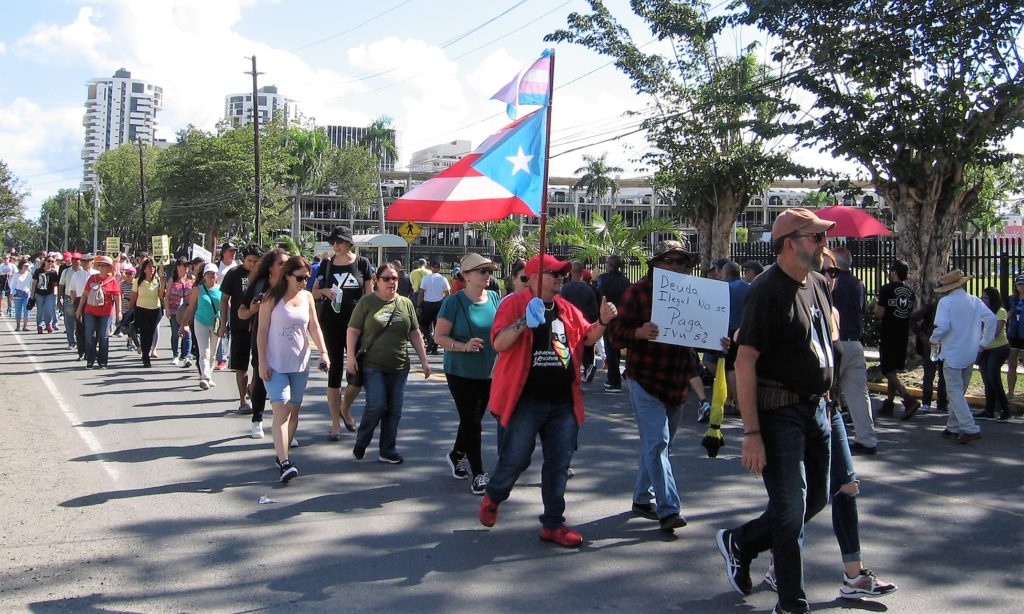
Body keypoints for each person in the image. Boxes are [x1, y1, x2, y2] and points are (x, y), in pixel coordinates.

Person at [716, 208, 836, 614]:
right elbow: (745, 360)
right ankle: (790, 604)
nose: (823, 245)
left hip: (816, 409)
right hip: (779, 412)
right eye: (815, 238)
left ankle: (742, 541)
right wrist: (751, 434)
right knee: (789, 509)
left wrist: (829, 399)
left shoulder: (817, 283)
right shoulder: (765, 291)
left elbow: (823, 342)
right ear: (789, 245)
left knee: (816, 498)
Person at [762, 248, 898, 600]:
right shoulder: (792, 302)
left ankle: (854, 574)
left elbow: (831, 363)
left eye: (835, 273)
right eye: (825, 271)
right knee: (798, 497)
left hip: (828, 409)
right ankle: (767, 554)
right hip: (796, 409)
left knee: (845, 486)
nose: (831, 278)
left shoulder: (830, 309)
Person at [478, 254, 616, 548]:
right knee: (515, 459)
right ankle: (495, 495)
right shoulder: (514, 304)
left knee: (559, 463)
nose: (560, 279)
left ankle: (553, 523)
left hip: (563, 402)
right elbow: (498, 343)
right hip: (525, 401)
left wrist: (603, 321)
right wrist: (523, 322)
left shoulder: (566, 308)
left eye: (562, 274)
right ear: (534, 277)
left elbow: (587, 337)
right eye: (553, 274)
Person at [607, 240, 717, 533]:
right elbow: (615, 335)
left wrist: (718, 340)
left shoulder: (694, 294)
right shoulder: (637, 292)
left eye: (682, 262)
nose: (677, 266)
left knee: (658, 445)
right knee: (657, 443)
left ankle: (642, 499)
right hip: (645, 379)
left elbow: (701, 334)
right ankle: (669, 509)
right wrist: (638, 332)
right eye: (670, 260)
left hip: (677, 381)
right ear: (655, 264)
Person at [347, 262, 431, 464]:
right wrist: (350, 357)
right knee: (377, 405)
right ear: (377, 281)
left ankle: (387, 450)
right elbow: (353, 330)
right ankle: (362, 441)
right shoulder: (367, 302)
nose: (391, 282)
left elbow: (415, 333)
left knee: (394, 410)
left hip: (399, 366)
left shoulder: (405, 303)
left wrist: (424, 360)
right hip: (372, 365)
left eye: (394, 278)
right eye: (386, 278)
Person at [256, 255, 329, 483]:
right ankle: (285, 463)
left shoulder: (307, 297)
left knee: (294, 411)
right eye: (299, 278)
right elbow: (261, 332)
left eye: (307, 278)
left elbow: (314, 326)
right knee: (282, 410)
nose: (304, 282)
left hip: (299, 363)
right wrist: (262, 362)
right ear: (287, 276)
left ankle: (282, 453)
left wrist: (324, 353)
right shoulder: (271, 298)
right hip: (275, 364)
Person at [433, 253, 500, 495]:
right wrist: (463, 346)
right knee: (472, 421)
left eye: (489, 271)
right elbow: (438, 337)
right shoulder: (454, 302)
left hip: (488, 370)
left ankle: (456, 454)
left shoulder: (494, 297)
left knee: (473, 419)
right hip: (460, 371)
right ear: (467, 275)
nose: (487, 275)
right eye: (482, 271)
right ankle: (479, 473)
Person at [311, 225, 373, 440]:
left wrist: (369, 322)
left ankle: (344, 407)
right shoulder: (326, 264)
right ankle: (335, 425)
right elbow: (313, 292)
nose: (336, 245)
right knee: (335, 372)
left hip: (356, 325)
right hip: (332, 323)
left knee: (358, 373)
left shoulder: (362, 263)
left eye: (339, 241)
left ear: (349, 243)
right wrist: (323, 291)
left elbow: (369, 296)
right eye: (333, 242)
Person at [930, 270, 998, 443]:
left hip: (952, 353)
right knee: (958, 393)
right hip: (971, 352)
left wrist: (933, 339)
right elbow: (991, 319)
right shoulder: (975, 301)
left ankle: (969, 427)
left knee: (955, 393)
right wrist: (984, 343)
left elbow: (942, 327)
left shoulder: (946, 302)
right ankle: (953, 426)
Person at [830, 246, 879, 454]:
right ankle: (867, 438)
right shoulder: (858, 284)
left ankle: (825, 439)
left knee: (826, 393)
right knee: (859, 394)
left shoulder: (832, 283)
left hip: (836, 341)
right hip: (855, 342)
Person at [239, 249, 288, 439]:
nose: (285, 267)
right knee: (261, 379)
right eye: (281, 263)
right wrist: (253, 310)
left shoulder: (292, 284)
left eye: (287, 263)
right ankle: (257, 419)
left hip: (287, 341)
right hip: (262, 339)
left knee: (287, 382)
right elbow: (241, 312)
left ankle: (285, 425)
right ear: (270, 267)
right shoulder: (259, 285)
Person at [219, 244, 262, 414]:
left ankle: (253, 387)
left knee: (259, 364)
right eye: (249, 261)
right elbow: (224, 300)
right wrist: (223, 323)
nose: (252, 264)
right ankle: (243, 400)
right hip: (239, 325)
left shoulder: (263, 275)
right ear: (243, 259)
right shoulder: (234, 274)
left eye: (256, 261)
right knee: (241, 365)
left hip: (260, 325)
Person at [875, 260, 920, 419]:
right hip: (903, 333)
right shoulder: (910, 292)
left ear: (894, 272)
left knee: (886, 369)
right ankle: (889, 402)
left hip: (889, 333)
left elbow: (880, 313)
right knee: (892, 368)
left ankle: (908, 398)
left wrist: (875, 306)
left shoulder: (886, 289)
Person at [179, 263, 223, 390]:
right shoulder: (198, 290)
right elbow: (190, 308)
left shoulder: (221, 290)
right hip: (201, 322)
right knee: (204, 351)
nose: (211, 276)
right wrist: (183, 324)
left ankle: (209, 376)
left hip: (216, 324)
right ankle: (205, 377)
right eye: (208, 273)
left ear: (217, 275)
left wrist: (225, 324)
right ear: (204, 276)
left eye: (213, 273)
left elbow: (227, 308)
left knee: (213, 353)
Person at [75, 255, 123, 369]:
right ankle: (90, 360)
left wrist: (119, 312)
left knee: (104, 336)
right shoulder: (92, 278)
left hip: (106, 313)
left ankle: (103, 361)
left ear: (109, 268)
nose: (102, 267)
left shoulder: (112, 281)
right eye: (100, 265)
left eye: (105, 265)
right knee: (89, 335)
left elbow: (117, 297)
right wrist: (79, 309)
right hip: (90, 311)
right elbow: (85, 294)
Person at [976, 287, 1011, 422]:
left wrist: (982, 342)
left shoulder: (1001, 312)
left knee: (993, 378)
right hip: (984, 349)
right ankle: (989, 410)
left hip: (999, 348)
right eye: (982, 297)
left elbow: (995, 332)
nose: (983, 300)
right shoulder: (982, 312)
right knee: (987, 380)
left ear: (993, 299)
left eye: (986, 298)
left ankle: (1005, 409)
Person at [561, 261, 600, 383]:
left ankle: (584, 368)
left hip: (571, 323)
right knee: (588, 346)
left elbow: (561, 306)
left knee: (574, 349)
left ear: (571, 272)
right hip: (586, 322)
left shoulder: (565, 288)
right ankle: (589, 368)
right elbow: (594, 308)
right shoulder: (588, 289)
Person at [596, 255, 630, 392]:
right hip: (622, 316)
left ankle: (614, 381)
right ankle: (614, 378)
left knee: (610, 348)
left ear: (610, 265)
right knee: (616, 347)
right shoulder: (625, 280)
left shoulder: (603, 278)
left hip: (609, 315)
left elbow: (600, 295)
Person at [909, 295, 947, 414]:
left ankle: (942, 403)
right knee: (930, 374)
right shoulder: (931, 307)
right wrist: (922, 336)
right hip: (932, 344)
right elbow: (913, 318)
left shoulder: (949, 307)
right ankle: (927, 402)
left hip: (945, 344)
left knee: (943, 375)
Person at [130, 259, 164, 367]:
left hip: (155, 310)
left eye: (153, 267)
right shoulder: (138, 281)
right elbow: (133, 297)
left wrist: (163, 284)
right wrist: (129, 311)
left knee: (151, 333)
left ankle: (147, 352)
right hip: (142, 310)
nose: (151, 269)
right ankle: (145, 357)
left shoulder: (158, 280)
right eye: (149, 266)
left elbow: (161, 296)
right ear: (144, 269)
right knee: (144, 334)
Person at [165, 257, 194, 367]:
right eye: (184, 265)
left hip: (187, 311)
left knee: (187, 333)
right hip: (174, 311)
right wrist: (167, 309)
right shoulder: (172, 280)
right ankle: (175, 355)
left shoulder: (191, 279)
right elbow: (167, 296)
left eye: (187, 266)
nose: (186, 268)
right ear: (178, 267)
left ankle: (187, 357)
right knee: (175, 333)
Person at [213, 241, 238, 370]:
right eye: (231, 250)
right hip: (220, 302)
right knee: (221, 328)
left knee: (235, 330)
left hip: (235, 303)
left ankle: (233, 358)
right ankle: (221, 358)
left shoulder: (238, 266)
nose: (233, 253)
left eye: (235, 251)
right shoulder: (216, 266)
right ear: (223, 252)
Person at [417, 261, 450, 354]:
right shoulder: (443, 279)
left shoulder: (426, 278)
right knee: (438, 327)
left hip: (427, 304)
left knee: (423, 325)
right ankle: (434, 347)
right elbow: (448, 293)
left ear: (431, 268)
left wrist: (418, 305)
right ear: (439, 268)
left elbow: (421, 293)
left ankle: (429, 338)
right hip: (439, 304)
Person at [68, 253, 97, 357]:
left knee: (92, 328)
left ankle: (92, 350)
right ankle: (82, 352)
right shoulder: (77, 274)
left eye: (87, 261)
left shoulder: (96, 274)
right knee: (80, 328)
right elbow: (72, 290)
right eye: (83, 261)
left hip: (93, 302)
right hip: (80, 301)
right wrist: (76, 304)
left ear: (92, 262)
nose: (85, 263)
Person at [58, 253, 81, 350]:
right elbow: (61, 285)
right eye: (74, 259)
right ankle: (72, 342)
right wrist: (58, 300)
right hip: (69, 299)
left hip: (81, 299)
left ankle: (81, 341)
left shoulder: (84, 272)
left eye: (77, 259)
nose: (75, 261)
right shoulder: (66, 271)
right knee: (69, 322)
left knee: (81, 322)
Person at [1005, 276, 1024, 397]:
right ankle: (1011, 392)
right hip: (1013, 334)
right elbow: (1006, 314)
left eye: (1023, 284)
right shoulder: (1011, 299)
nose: (1021, 286)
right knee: (1012, 364)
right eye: (1019, 284)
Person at [32, 255, 59, 334]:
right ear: (45, 261)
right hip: (39, 293)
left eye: (52, 261)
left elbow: (55, 284)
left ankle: (48, 324)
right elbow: (34, 282)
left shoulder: (54, 272)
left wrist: (56, 294)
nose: (50, 263)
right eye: (48, 261)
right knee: (40, 310)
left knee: (49, 310)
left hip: (49, 293)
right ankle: (39, 325)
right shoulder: (38, 271)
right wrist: (32, 294)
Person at [9, 260, 33, 331]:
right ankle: (18, 326)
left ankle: (25, 326)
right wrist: (11, 293)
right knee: (18, 311)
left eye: (28, 266)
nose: (27, 267)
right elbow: (13, 285)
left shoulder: (29, 274)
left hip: (26, 295)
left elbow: (31, 284)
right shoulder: (16, 275)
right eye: (25, 266)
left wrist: (32, 294)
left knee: (26, 311)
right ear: (21, 266)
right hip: (17, 294)